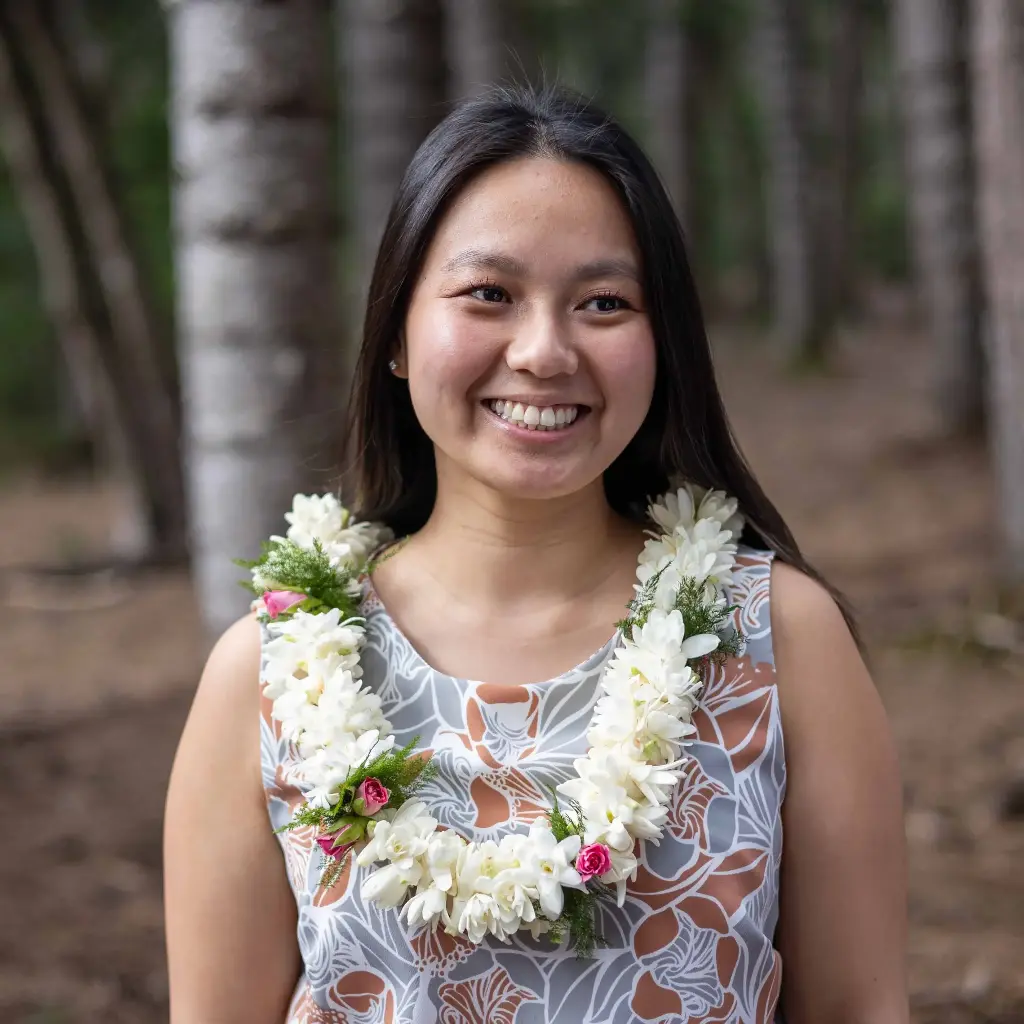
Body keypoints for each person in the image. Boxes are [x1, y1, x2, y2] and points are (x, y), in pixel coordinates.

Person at [164, 85, 909, 1024]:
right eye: (489, 294)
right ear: (397, 331)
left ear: (661, 337)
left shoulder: (780, 642)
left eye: (603, 301)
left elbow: (858, 1007)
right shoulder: (268, 676)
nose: (544, 351)